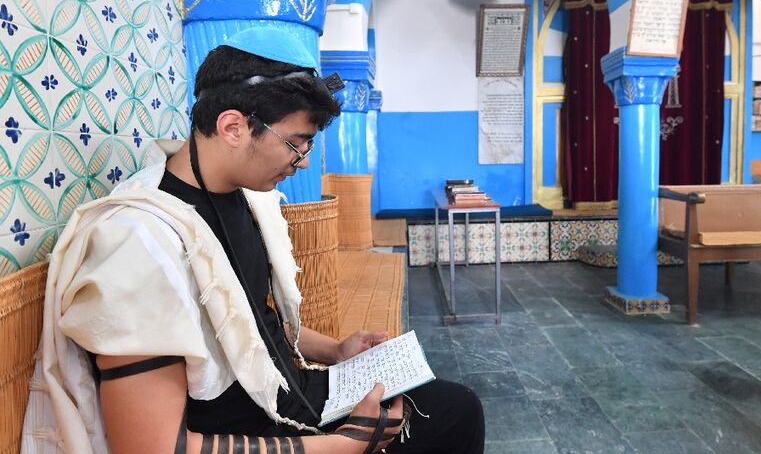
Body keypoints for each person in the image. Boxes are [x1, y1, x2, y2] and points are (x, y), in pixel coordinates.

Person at [22, 27, 484, 454]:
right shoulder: (138, 245)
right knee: (452, 415)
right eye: (296, 143)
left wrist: (334, 351)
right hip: (250, 431)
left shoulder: (244, 198)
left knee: (452, 404)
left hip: (288, 394)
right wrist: (344, 444)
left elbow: (244, 322)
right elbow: (152, 446)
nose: (302, 162)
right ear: (233, 127)